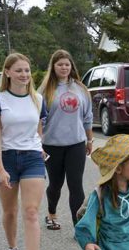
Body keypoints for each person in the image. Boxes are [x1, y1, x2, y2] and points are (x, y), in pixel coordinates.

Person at [0, 53, 51, 250]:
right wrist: (0, 169)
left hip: (32, 157)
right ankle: (12, 248)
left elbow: (39, 129)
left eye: (27, 70)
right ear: (8, 72)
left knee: (31, 211)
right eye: (19, 70)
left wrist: (39, 146)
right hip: (7, 158)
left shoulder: (38, 99)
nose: (24, 74)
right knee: (10, 211)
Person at [38, 49, 94, 230]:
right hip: (51, 145)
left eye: (67, 64)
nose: (64, 67)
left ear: (71, 66)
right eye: (60, 64)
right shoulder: (45, 90)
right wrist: (38, 144)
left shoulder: (81, 88)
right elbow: (38, 121)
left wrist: (89, 140)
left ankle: (80, 227)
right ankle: (51, 213)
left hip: (76, 144)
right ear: (53, 67)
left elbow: (88, 117)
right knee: (55, 184)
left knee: (76, 185)